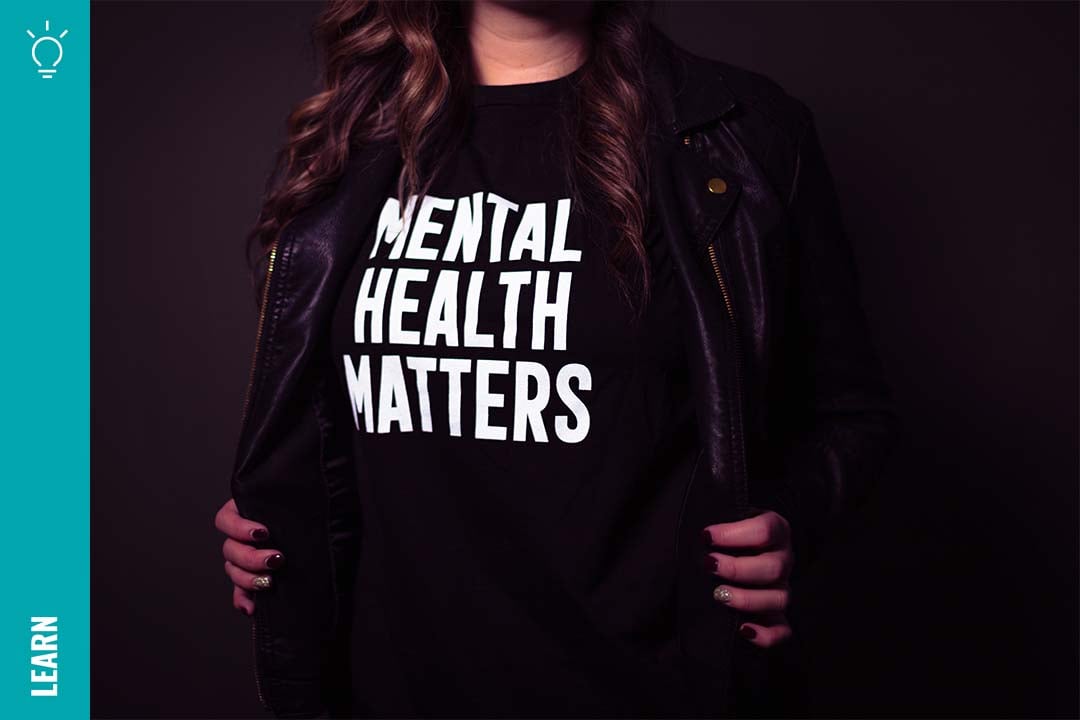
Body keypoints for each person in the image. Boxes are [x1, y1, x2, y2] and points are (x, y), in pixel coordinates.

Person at [214, 1, 898, 717]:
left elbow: (851, 414)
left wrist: (791, 517)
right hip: (395, 692)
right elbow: (341, 421)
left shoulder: (741, 131)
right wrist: (285, 515)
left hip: (649, 691)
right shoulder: (348, 138)